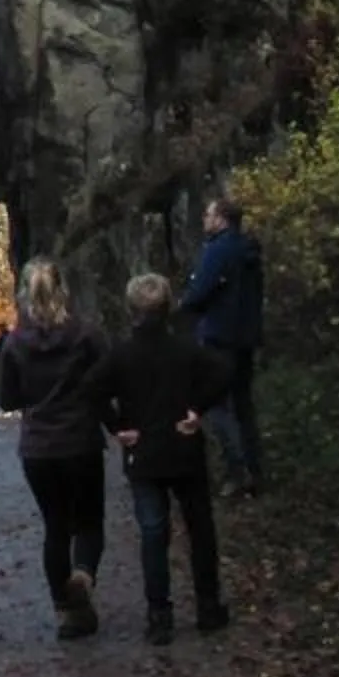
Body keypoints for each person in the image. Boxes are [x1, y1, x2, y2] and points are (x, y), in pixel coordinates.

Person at [95, 271, 231, 644]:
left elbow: (91, 389)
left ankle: (159, 614)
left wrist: (117, 426)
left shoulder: (121, 354)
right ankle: (207, 606)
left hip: (144, 454)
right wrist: (197, 409)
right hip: (184, 448)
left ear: (131, 309)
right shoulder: (185, 349)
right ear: (167, 307)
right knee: (199, 528)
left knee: (153, 533)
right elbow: (223, 372)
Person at [0, 256, 110, 639]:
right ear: (63, 290)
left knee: (55, 528)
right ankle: (83, 575)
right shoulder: (86, 335)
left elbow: (7, 398)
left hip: (39, 448)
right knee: (89, 521)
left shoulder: (15, 343)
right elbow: (106, 381)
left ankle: (65, 611)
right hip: (80, 440)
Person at [179, 195, 265, 498]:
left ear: (222, 219)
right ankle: (255, 470)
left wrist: (183, 305)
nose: (204, 219)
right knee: (244, 405)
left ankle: (237, 472)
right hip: (246, 339)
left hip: (219, 338)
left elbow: (199, 292)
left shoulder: (218, 251)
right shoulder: (249, 251)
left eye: (208, 214)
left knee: (216, 405)